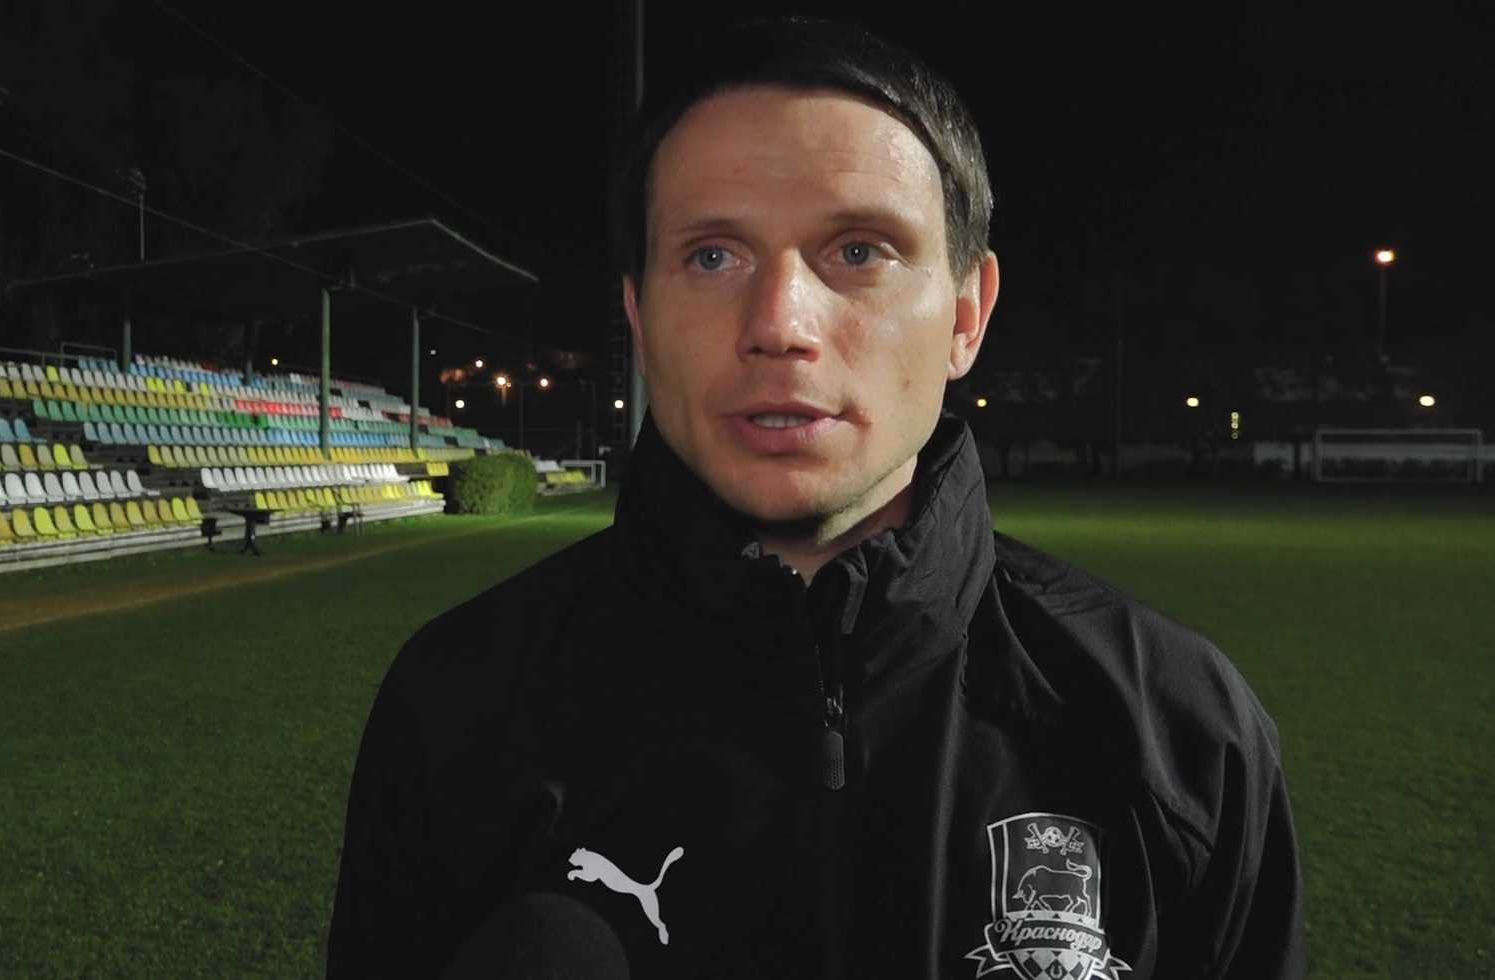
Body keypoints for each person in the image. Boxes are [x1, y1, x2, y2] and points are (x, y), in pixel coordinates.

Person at [327, 17, 1304, 979]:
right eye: (713, 256)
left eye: (859, 251)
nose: (780, 323)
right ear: (638, 317)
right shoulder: (457, 704)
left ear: (966, 315)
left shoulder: (1176, 725)